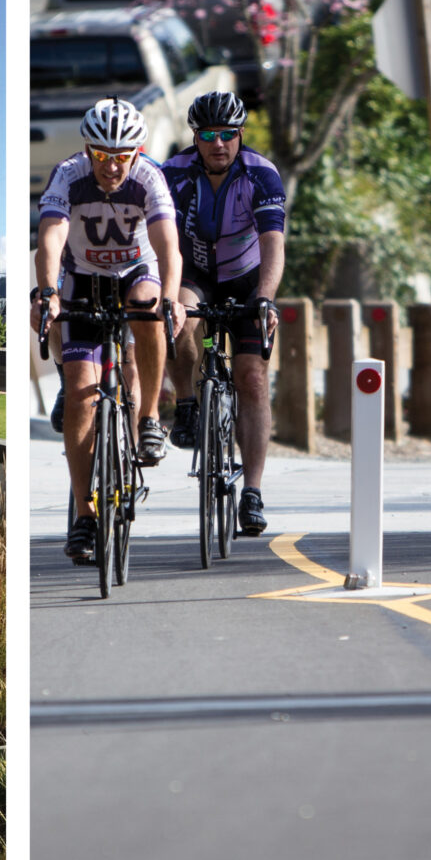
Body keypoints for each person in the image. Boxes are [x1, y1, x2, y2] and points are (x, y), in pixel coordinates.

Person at [31, 98, 181, 562]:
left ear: (136, 152)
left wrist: (171, 297)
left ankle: (150, 416)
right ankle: (84, 514)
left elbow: (167, 245)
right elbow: (51, 234)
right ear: (87, 150)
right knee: (80, 393)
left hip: (137, 271)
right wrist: (48, 290)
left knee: (147, 306)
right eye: (101, 155)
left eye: (121, 156)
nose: (112, 167)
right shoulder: (69, 175)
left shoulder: (149, 177)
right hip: (84, 276)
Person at [160, 91, 285, 537]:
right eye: (209, 135)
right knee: (177, 320)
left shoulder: (261, 175)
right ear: (195, 137)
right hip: (194, 272)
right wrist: (170, 296)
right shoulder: (172, 174)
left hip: (247, 278)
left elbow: (273, 244)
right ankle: (189, 404)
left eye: (228, 135)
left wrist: (265, 297)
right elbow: (162, 241)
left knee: (251, 377)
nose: (219, 144)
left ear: (240, 136)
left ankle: (251, 491)